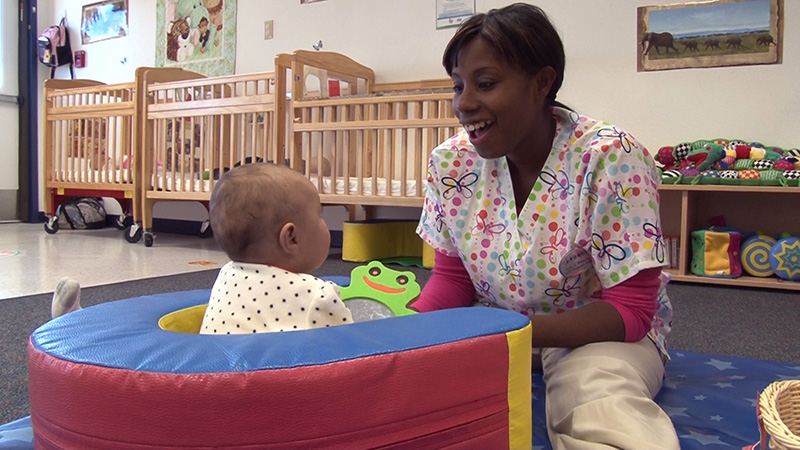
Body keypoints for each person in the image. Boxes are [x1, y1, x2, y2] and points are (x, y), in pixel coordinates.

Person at [413, 4, 679, 449]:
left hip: (595, 335)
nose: (464, 104)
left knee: (595, 398)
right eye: (458, 87)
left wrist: (498, 328)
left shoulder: (610, 157)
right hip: (494, 334)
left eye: (485, 84)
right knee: (405, 391)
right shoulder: (451, 163)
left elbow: (631, 312)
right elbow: (452, 278)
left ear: (541, 83)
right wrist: (409, 333)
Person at [200, 163, 352, 334]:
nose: (323, 221)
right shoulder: (317, 296)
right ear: (292, 238)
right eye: (319, 214)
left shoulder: (225, 275)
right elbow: (347, 348)